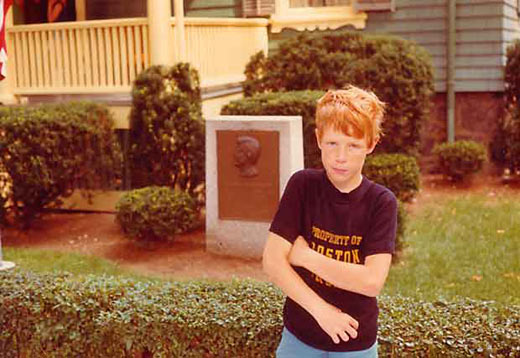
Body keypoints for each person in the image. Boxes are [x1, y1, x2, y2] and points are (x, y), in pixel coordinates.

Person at [263, 85, 397, 358]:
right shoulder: (302, 185)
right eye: (333, 143)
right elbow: (272, 262)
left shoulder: (381, 202)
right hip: (299, 334)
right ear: (318, 138)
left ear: (370, 145)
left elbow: (371, 281)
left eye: (354, 145)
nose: (341, 157)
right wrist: (321, 311)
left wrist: (304, 256)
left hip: (355, 341)